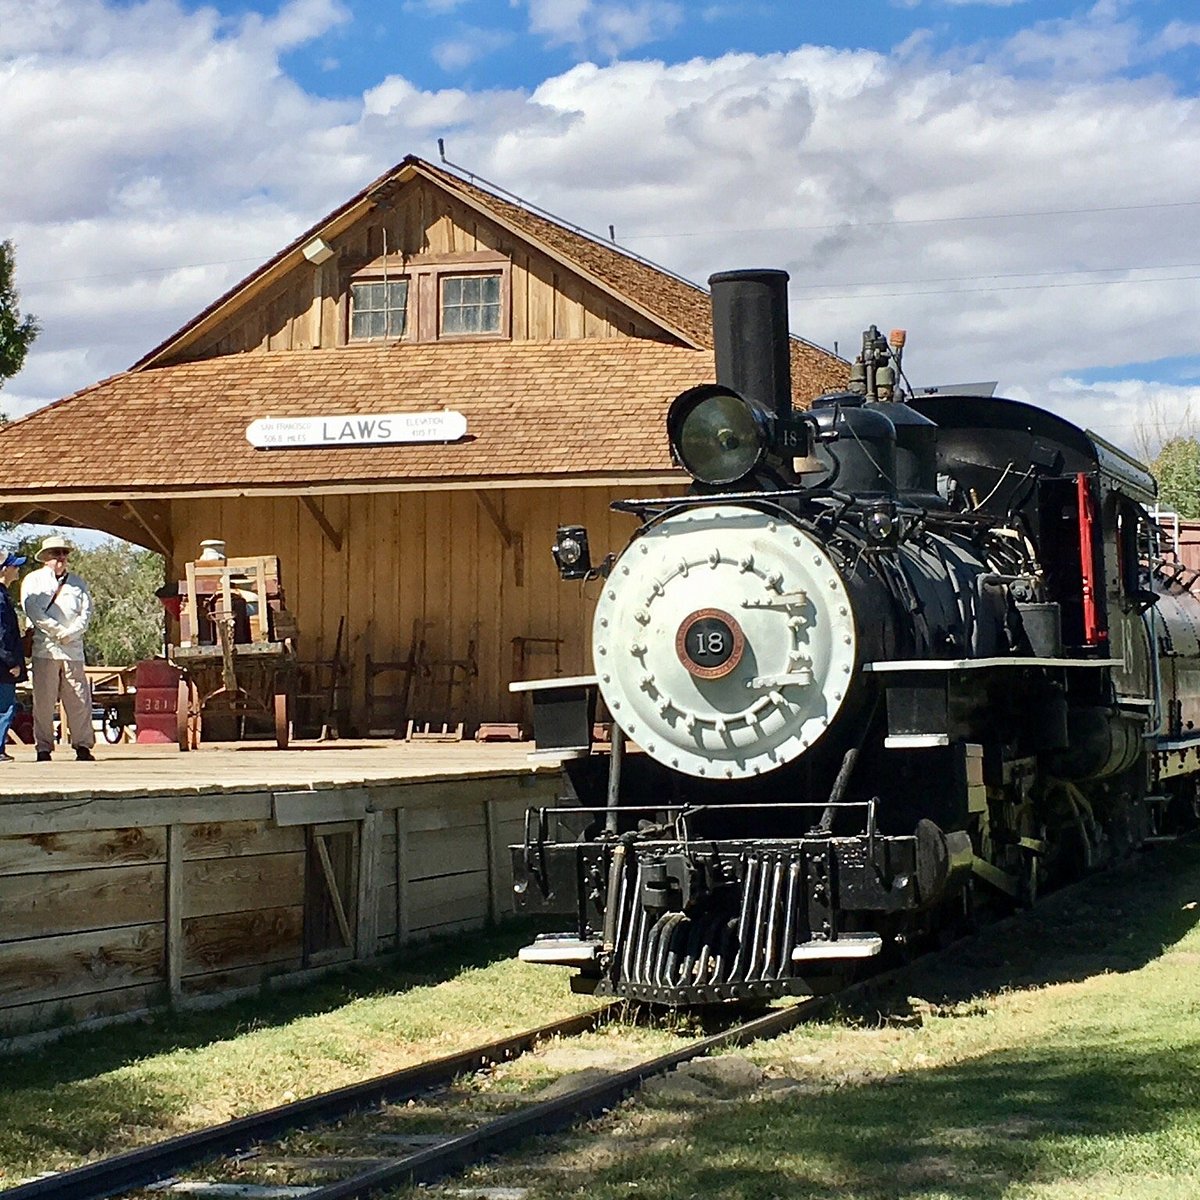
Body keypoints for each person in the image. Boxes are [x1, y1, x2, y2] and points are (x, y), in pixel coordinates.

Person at [20, 536, 95, 762]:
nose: (61, 557)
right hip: (45, 650)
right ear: (45, 557)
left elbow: (86, 612)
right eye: (55, 553)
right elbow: (32, 609)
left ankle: (82, 745)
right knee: (44, 701)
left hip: (73, 650)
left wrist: (71, 633)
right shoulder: (33, 581)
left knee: (79, 700)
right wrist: (57, 632)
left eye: (63, 553)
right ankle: (43, 747)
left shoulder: (78, 583)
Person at [0, 552, 27, 762]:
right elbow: (2, 633)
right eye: (14, 566)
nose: (17, 570)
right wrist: (12, 662)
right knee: (5, 707)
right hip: (3, 665)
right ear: (3, 570)